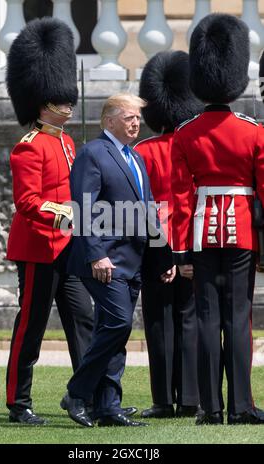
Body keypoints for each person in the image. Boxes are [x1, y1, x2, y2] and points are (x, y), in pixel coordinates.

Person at [171, 13, 264, 425]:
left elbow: (178, 197)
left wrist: (179, 253)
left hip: (201, 234)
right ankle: (242, 406)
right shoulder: (253, 131)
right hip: (242, 231)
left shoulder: (185, 133)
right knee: (238, 319)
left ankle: (211, 408)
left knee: (208, 320)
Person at [61, 93, 175, 427]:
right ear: (109, 120)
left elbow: (149, 210)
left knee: (114, 332)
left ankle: (108, 405)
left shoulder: (135, 158)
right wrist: (96, 255)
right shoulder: (92, 154)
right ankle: (77, 393)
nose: (136, 123)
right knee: (118, 323)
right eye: (129, 118)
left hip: (133, 259)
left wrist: (162, 256)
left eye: (138, 118)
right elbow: (82, 207)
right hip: (104, 260)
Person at [5, 17, 94, 425]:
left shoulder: (68, 141)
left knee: (83, 320)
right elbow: (27, 202)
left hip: (67, 247)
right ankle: (19, 403)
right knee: (31, 327)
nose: (69, 105)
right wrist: (66, 213)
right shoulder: (29, 147)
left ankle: (87, 395)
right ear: (44, 102)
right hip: (39, 248)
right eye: (62, 100)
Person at [134, 51, 202, 419]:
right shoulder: (195, 145)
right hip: (192, 248)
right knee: (189, 319)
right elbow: (193, 205)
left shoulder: (141, 151)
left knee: (159, 323)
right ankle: (190, 397)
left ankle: (163, 399)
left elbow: (146, 209)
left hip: (155, 250)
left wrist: (164, 255)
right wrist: (186, 255)